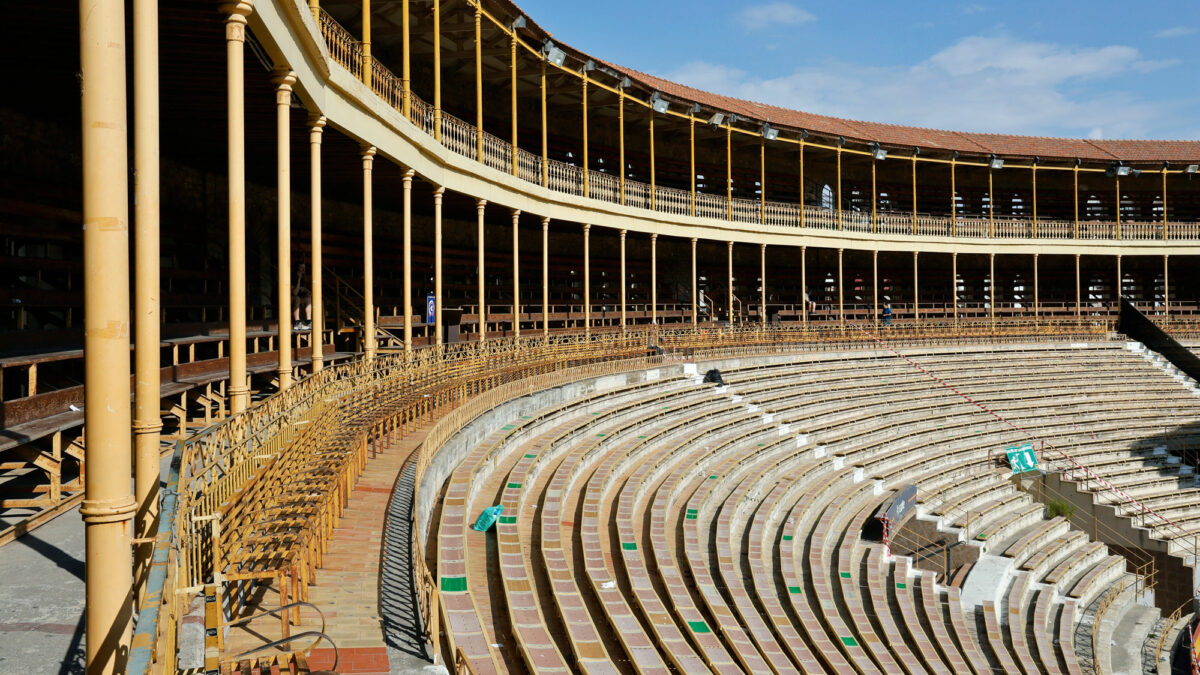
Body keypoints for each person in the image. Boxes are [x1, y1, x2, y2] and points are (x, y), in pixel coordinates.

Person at [293, 263, 313, 331]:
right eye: (301, 267)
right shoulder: (292, 276)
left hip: (295, 298)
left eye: (304, 268)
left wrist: (308, 292)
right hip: (285, 299)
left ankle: (309, 321)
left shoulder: (303, 278)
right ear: (297, 268)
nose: (303, 270)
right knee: (297, 298)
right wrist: (298, 279)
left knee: (308, 299)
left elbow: (303, 289)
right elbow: (295, 293)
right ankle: (297, 323)